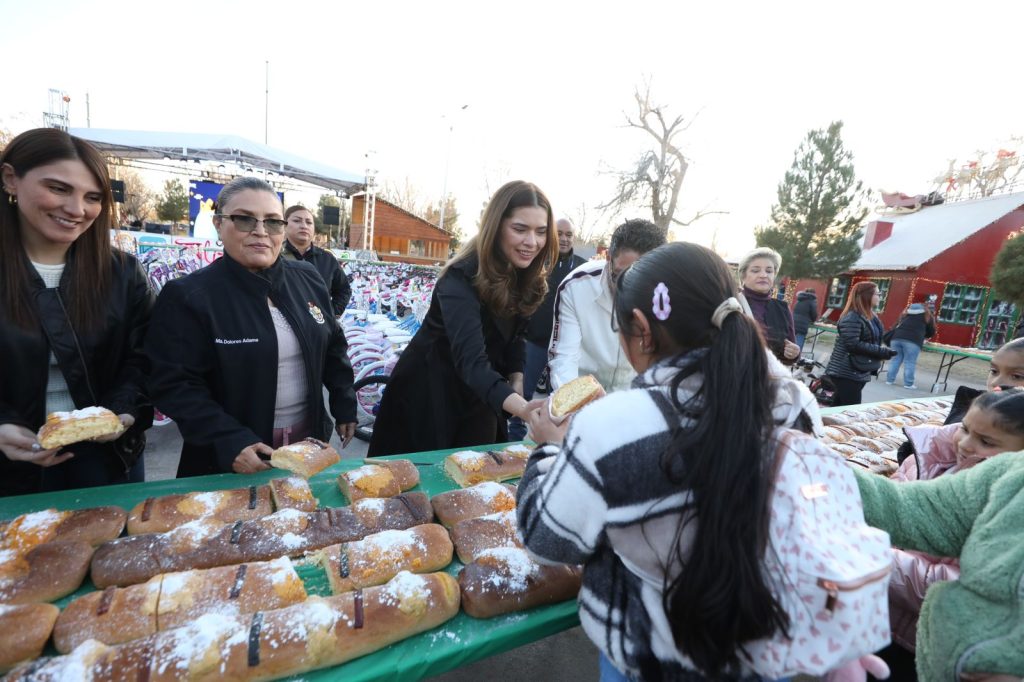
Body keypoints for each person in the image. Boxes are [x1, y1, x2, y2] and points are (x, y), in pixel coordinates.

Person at [519, 243, 883, 681]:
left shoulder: (612, 426)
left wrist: (549, 446)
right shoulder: (796, 402)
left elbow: (547, 540)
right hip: (763, 656)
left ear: (642, 329)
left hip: (650, 662)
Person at [146, 177, 357, 477]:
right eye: (245, 219)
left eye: (272, 222)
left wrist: (344, 403)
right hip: (233, 459)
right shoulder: (189, 296)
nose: (260, 231)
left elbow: (332, 343)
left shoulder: (308, 277)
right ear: (219, 224)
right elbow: (174, 384)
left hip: (305, 448)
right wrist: (228, 440)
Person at [0, 128, 154, 496]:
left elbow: (148, 357)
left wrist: (123, 411)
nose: (76, 209)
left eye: (93, 197)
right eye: (58, 189)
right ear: (10, 179)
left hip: (109, 463)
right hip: (11, 471)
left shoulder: (123, 273)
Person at [366, 180, 557, 456]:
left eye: (541, 232)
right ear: (495, 226)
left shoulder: (524, 274)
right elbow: (471, 362)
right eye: (520, 229)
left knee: (480, 474)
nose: (532, 242)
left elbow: (515, 336)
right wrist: (525, 410)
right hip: (428, 396)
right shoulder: (460, 277)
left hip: (481, 392)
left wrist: (516, 377)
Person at [877, 388, 1024, 680]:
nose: (965, 444)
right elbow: (885, 509)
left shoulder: (1007, 511)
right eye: (965, 429)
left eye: (986, 441)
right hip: (874, 619)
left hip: (927, 648)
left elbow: (956, 584)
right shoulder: (922, 461)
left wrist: (869, 552)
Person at [547, 219, 665, 393]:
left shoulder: (665, 295)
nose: (630, 290)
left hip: (632, 395)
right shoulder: (575, 286)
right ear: (608, 258)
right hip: (582, 390)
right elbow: (564, 358)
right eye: (621, 276)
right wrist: (574, 402)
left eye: (644, 280)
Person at [507, 217, 586, 440]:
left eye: (569, 235)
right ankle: (515, 437)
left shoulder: (582, 269)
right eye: (559, 234)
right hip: (536, 343)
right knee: (524, 393)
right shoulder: (536, 264)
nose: (564, 239)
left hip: (566, 348)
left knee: (562, 399)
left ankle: (555, 441)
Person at [824, 281, 897, 406]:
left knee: (839, 408)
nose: (880, 297)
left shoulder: (870, 316)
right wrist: (881, 352)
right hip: (846, 372)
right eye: (877, 294)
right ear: (866, 296)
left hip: (858, 370)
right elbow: (853, 344)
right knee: (851, 410)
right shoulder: (852, 317)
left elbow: (872, 339)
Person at [281, 205, 351, 315]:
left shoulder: (327, 259)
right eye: (297, 221)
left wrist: (331, 314)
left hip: (318, 324)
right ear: (284, 225)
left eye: (309, 222)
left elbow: (344, 290)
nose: (304, 226)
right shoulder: (274, 257)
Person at [736, 247, 800, 364]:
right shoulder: (731, 303)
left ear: (774, 275)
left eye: (769, 271)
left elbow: (788, 352)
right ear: (743, 275)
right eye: (755, 270)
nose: (763, 275)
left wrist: (793, 354)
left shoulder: (782, 309)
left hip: (767, 374)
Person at [884, 299, 936, 389]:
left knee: (895, 360)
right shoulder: (927, 315)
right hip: (913, 341)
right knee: (910, 362)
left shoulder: (905, 314)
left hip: (896, 338)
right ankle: (908, 384)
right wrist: (924, 336)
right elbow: (931, 331)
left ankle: (889, 380)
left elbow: (895, 326)